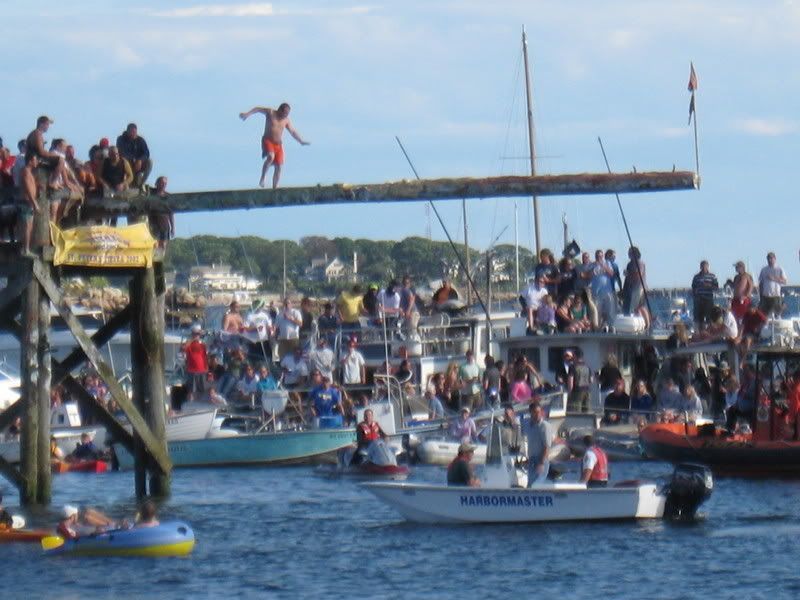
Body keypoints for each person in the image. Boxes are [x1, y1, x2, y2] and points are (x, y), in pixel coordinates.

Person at [239, 103, 310, 188]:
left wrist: (301, 141)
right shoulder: (270, 112)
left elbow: (293, 132)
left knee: (279, 166)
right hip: (267, 140)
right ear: (280, 110)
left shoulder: (286, 120)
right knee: (270, 156)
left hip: (278, 145)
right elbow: (257, 109)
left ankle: (275, 188)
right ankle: (263, 178)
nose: (285, 116)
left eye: (287, 114)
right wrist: (247, 114)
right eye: (284, 113)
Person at [524, 402, 553, 486]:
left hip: (540, 460)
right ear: (530, 412)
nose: (537, 414)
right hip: (532, 460)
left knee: (536, 485)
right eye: (534, 412)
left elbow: (547, 446)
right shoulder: (529, 426)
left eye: (539, 412)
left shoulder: (544, 426)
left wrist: (541, 463)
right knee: (530, 485)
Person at [18, 152, 40, 254]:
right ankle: (25, 249)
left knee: (29, 227)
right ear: (30, 161)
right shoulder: (26, 171)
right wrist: (34, 203)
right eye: (35, 160)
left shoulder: (29, 172)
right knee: (26, 226)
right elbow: (28, 188)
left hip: (28, 202)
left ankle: (26, 248)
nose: (37, 162)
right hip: (26, 202)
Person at [183, 323, 208, 401]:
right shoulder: (188, 343)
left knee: (202, 388)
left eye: (198, 334)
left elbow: (206, 355)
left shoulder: (203, 344)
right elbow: (183, 348)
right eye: (195, 334)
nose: (197, 335)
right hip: (192, 369)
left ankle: (200, 401)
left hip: (202, 369)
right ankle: (190, 401)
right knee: (191, 389)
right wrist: (192, 339)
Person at [691, 260, 719, 331]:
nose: (704, 268)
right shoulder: (696, 277)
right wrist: (695, 292)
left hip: (708, 299)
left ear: (708, 267)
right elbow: (693, 287)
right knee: (698, 317)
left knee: (709, 317)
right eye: (702, 266)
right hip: (698, 299)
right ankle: (699, 332)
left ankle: (708, 332)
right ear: (700, 267)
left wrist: (708, 285)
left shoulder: (712, 276)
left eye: (705, 266)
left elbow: (716, 287)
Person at [758, 252, 787, 317]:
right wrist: (761, 295)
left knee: (776, 313)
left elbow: (784, 281)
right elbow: (761, 283)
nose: (770, 260)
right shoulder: (764, 269)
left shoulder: (779, 269)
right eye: (768, 259)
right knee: (764, 314)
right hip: (765, 295)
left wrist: (774, 278)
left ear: (775, 259)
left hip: (775, 295)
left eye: (771, 258)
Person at [567, 348, 592, 413]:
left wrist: (569, 393)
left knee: (576, 412)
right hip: (587, 391)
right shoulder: (587, 367)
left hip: (577, 391)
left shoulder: (572, 367)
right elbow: (591, 380)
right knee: (587, 411)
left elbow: (570, 382)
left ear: (575, 356)